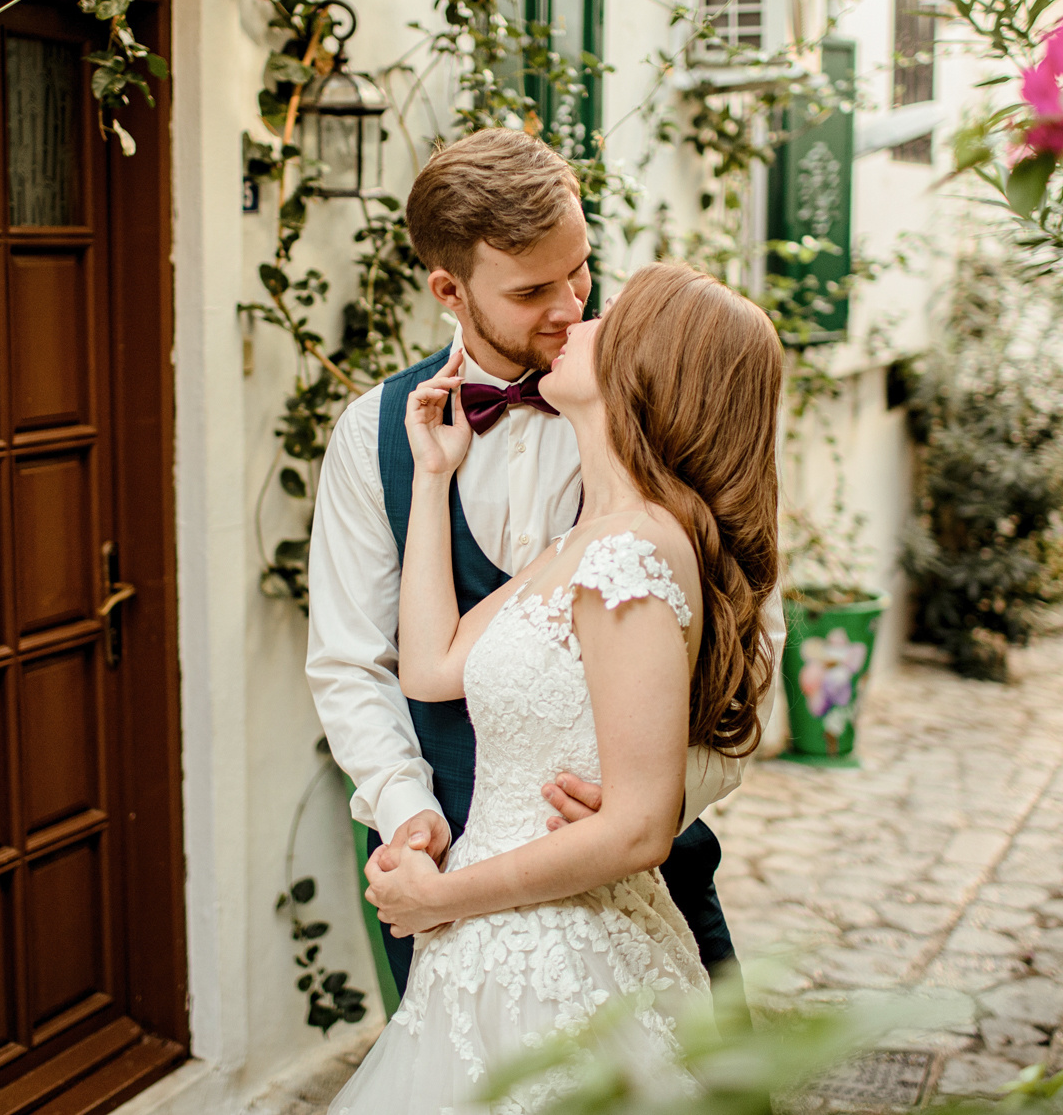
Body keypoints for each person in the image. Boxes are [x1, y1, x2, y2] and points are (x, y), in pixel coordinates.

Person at [303, 130, 759, 1008]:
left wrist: (656, 808)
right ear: (449, 289)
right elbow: (357, 660)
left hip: (638, 870)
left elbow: (749, 628)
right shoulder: (376, 434)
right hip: (444, 866)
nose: (573, 305)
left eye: (580, 269)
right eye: (531, 290)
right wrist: (408, 813)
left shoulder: (658, 391)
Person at [327, 260, 783, 1112]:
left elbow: (642, 827)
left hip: (562, 953)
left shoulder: (633, 553)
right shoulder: (596, 537)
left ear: (650, 372)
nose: (578, 315)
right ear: (451, 287)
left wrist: (440, 896)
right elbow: (430, 666)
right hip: (488, 951)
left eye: (606, 311)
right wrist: (434, 474)